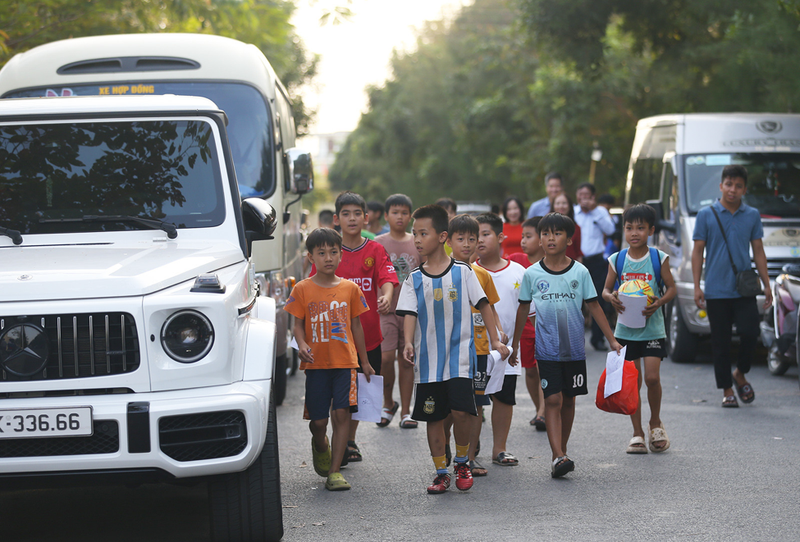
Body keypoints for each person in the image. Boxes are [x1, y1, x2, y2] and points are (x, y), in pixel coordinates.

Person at [397, 205, 508, 494]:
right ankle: (440, 471)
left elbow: (484, 304)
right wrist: (408, 343)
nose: (418, 239)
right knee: (433, 417)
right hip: (428, 361)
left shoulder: (463, 272)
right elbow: (409, 313)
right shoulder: (414, 278)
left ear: (442, 236)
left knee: (461, 412)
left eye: (424, 233)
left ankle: (461, 461)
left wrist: (495, 340)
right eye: (415, 233)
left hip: (461, 359)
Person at [511, 213, 621, 478]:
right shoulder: (532, 274)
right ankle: (557, 455)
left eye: (557, 233)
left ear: (569, 239)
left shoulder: (580, 272)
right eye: (546, 233)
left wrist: (612, 339)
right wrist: (514, 344)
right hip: (546, 350)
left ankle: (563, 450)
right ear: (539, 239)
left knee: (569, 401)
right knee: (552, 399)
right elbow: (523, 309)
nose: (551, 238)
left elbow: (594, 305)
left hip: (574, 350)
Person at [284, 227, 375, 491]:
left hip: (345, 363)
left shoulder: (350, 289)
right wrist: (301, 344)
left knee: (342, 413)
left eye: (333, 252)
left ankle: (334, 471)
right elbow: (296, 325)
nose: (328, 258)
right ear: (311, 257)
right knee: (319, 421)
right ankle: (319, 442)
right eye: (321, 253)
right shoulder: (302, 289)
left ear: (340, 254)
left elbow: (356, 327)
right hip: (316, 365)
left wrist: (365, 361)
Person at [311, 191, 399, 462]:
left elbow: (387, 277)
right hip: (333, 339)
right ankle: (331, 440)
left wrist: (385, 296)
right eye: (346, 214)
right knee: (334, 397)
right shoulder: (329, 251)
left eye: (357, 213)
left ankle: (348, 441)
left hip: (368, 337)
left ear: (366, 217)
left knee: (358, 392)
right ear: (336, 219)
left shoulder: (375, 250)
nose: (352, 219)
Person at [692, 165, 772, 407]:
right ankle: (727, 389)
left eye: (738, 186)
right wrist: (697, 286)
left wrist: (767, 285)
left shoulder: (752, 215)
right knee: (721, 342)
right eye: (729, 184)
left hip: (743, 289)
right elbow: (698, 251)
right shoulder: (706, 215)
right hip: (716, 289)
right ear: (721, 186)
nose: (732, 190)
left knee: (750, 333)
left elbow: (758, 250)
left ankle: (740, 373)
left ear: (744, 189)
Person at [602, 204, 678, 454]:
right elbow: (605, 290)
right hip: (625, 331)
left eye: (640, 228)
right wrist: (611, 298)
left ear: (651, 230)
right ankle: (637, 433)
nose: (634, 233)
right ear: (624, 230)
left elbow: (671, 288)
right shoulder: (618, 259)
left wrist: (659, 302)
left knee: (652, 378)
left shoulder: (658, 258)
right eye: (629, 228)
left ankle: (655, 423)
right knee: (633, 382)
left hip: (653, 329)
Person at [445, 214, 503, 477]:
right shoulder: (440, 273)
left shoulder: (481, 274)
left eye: (472, 239)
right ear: (448, 241)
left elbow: (490, 308)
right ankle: (445, 446)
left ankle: (468, 459)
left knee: (477, 406)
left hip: (479, 351)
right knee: (450, 407)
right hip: (449, 351)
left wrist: (498, 337)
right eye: (461, 239)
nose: (467, 244)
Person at [475, 213, 527, 467]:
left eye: (485, 234)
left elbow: (525, 313)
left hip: (505, 351)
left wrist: (516, 346)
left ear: (500, 237)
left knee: (505, 398)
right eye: (475, 236)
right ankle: (470, 449)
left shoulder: (518, 272)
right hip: (474, 349)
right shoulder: (466, 272)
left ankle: (499, 448)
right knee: (475, 399)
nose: (479, 240)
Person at [375, 194, 421, 428]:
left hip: (411, 312)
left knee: (407, 360)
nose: (400, 216)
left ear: (410, 216)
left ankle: (406, 410)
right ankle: (387, 402)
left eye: (404, 212)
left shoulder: (416, 242)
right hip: (386, 311)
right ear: (386, 215)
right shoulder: (378, 242)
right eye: (395, 212)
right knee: (385, 358)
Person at [508, 216, 546, 431]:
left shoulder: (549, 264)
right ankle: (538, 408)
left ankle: (544, 411)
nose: (523, 241)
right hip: (522, 328)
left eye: (528, 236)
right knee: (530, 371)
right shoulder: (514, 260)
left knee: (543, 370)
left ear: (541, 240)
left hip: (543, 328)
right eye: (522, 236)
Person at [574, 182, 617, 350]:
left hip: (596, 260)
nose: (583, 198)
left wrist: (595, 212)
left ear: (592, 197)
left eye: (587, 195)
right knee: (575, 300)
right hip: (576, 260)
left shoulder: (600, 212)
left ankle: (598, 339)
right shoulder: (573, 212)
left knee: (598, 299)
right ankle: (575, 340)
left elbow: (611, 229)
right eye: (581, 194)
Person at [550, 192, 583, 262]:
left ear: (570, 206)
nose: (561, 206)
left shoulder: (576, 228)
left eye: (564, 203)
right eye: (558, 203)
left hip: (570, 266)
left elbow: (578, 253)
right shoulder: (546, 227)